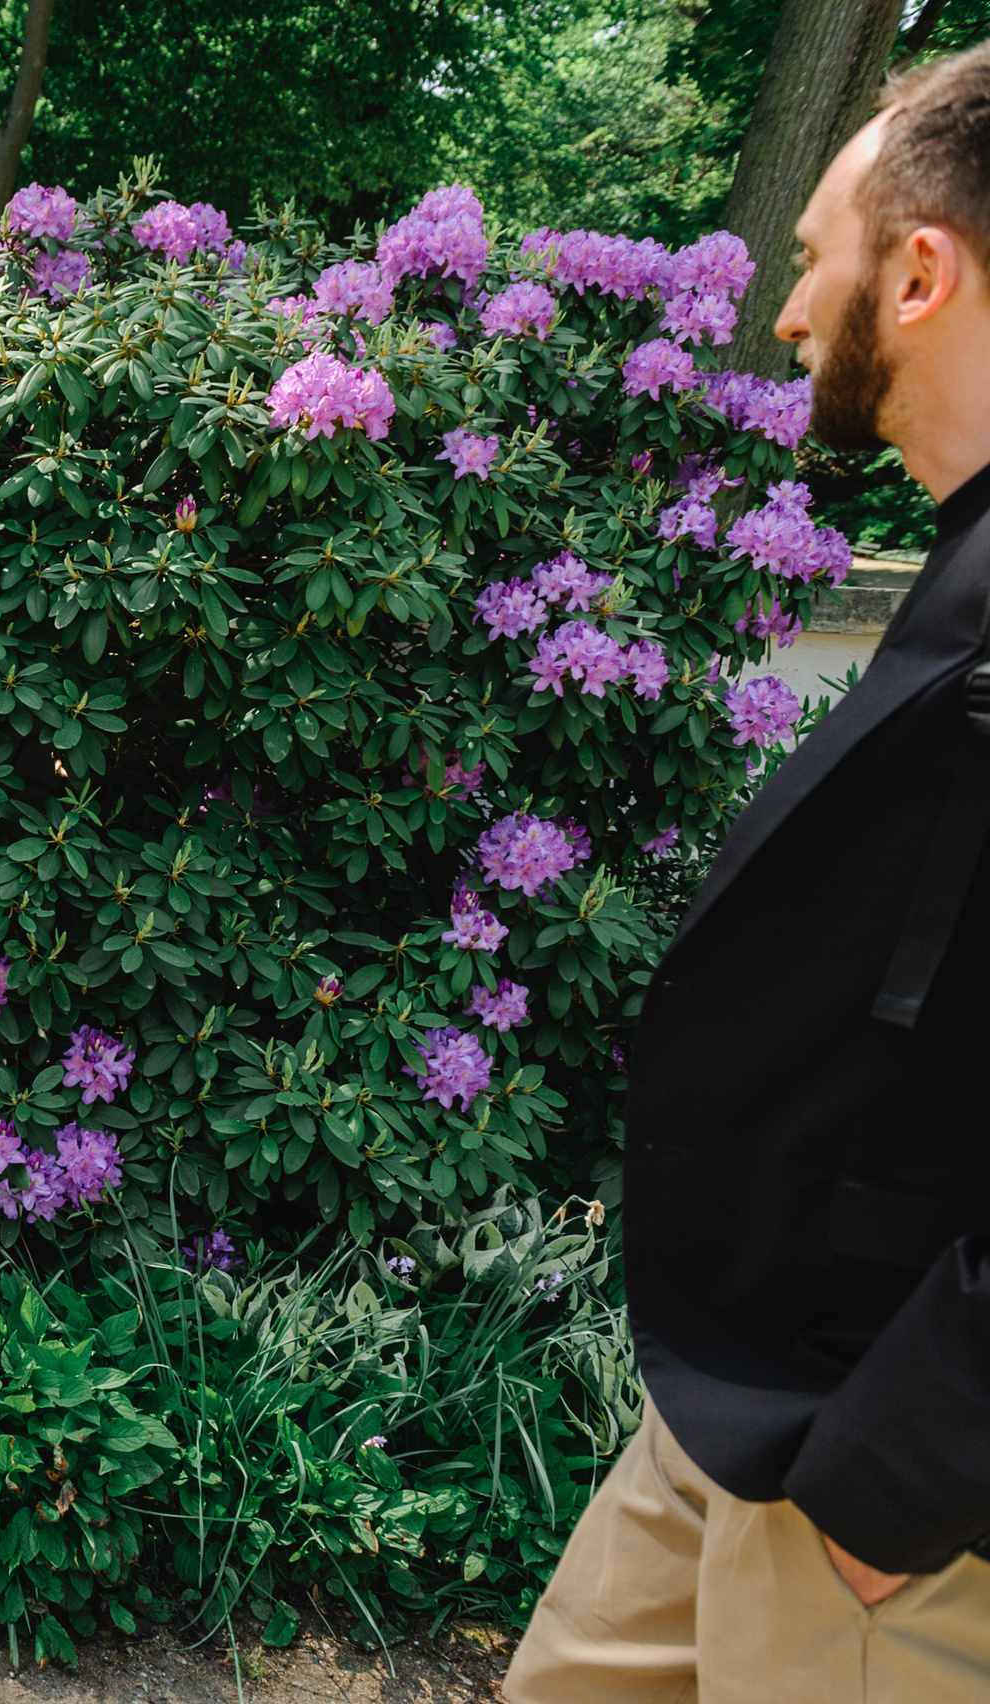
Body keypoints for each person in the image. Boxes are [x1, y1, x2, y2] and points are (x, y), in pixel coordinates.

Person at [504, 41, 990, 1704]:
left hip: (890, 1485)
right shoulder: (970, 558)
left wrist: (914, 1465)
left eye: (811, 259)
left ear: (918, 272)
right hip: (735, 1406)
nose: (791, 314)